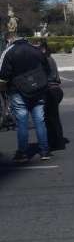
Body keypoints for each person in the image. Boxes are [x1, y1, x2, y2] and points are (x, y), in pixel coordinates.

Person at [0, 34, 51, 162]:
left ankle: (22, 152)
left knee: (22, 122)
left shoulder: (9, 52)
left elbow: (4, 75)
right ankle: (45, 151)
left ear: (11, 40)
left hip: (17, 91)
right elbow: (47, 68)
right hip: (37, 90)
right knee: (40, 121)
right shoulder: (35, 50)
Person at [37, 40, 67, 151]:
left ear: (43, 49)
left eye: (38, 48)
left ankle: (56, 142)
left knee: (51, 118)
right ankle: (55, 141)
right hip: (54, 90)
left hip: (51, 90)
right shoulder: (48, 58)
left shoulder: (46, 59)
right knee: (51, 118)